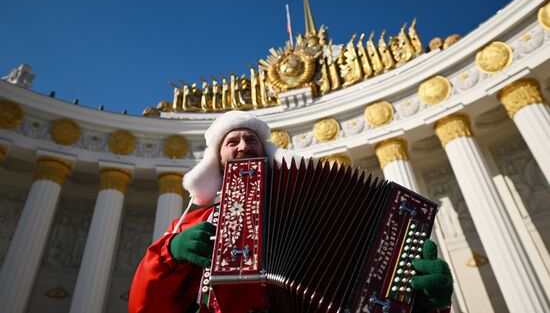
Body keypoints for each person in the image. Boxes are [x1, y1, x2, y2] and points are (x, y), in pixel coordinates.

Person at [129, 111, 453, 313]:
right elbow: (147, 306)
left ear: (265, 150)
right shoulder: (194, 221)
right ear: (217, 159)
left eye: (250, 140)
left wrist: (424, 303)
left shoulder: (320, 208)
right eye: (233, 142)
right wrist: (169, 253)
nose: (243, 146)